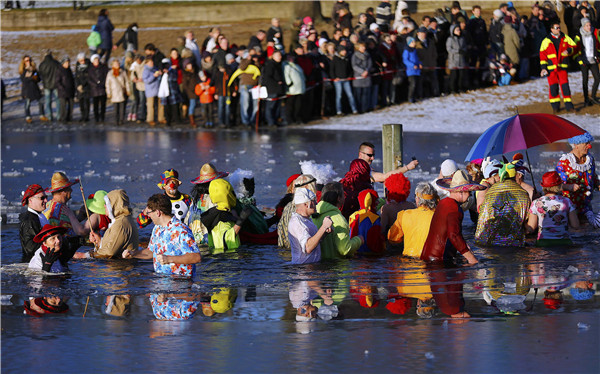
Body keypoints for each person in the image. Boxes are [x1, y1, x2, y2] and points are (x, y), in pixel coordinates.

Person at [123, 194, 201, 277]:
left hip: (181, 282)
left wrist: (169, 259)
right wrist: (133, 254)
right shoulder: (157, 228)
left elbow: (196, 257)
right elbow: (151, 252)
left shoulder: (181, 230)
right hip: (161, 281)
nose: (148, 216)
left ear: (158, 213)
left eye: (149, 213)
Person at [421, 170, 483, 264]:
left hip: (428, 256)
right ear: (461, 192)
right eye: (469, 192)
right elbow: (454, 235)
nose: (470, 195)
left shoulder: (443, 202)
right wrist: (472, 259)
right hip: (440, 260)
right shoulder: (455, 209)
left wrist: (464, 246)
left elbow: (449, 232)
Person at [475, 161, 531, 247]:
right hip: (514, 244)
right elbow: (527, 222)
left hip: (491, 243)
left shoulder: (491, 192)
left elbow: (483, 215)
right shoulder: (523, 194)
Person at [556, 131, 600, 227]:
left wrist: (598, 184)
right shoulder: (564, 162)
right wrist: (569, 186)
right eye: (586, 143)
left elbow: (593, 176)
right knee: (574, 231)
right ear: (576, 145)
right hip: (570, 206)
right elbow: (556, 186)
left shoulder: (590, 159)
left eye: (589, 143)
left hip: (586, 205)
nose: (589, 146)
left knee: (588, 231)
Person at [312, 182, 363, 260]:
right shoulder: (338, 219)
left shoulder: (313, 215)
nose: (345, 197)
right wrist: (359, 240)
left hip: (316, 265)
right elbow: (345, 249)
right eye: (343, 194)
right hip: (335, 268)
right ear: (339, 198)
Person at [527, 171, 580, 246]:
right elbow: (576, 226)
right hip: (564, 243)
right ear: (559, 185)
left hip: (543, 243)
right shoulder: (567, 201)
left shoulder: (536, 203)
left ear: (543, 186)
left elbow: (531, 228)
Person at [388, 182, 439, 258]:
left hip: (408, 261)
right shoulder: (439, 217)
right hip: (430, 262)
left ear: (418, 199)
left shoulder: (404, 215)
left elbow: (392, 238)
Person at [199, 179, 250, 253]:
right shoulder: (222, 217)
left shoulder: (213, 214)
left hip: (218, 257)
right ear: (227, 195)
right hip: (228, 258)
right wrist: (241, 219)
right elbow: (227, 237)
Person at [88, 189, 139, 259]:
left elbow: (109, 252)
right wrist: (100, 242)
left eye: (107, 204)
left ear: (114, 205)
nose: (104, 206)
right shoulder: (122, 220)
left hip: (119, 267)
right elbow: (116, 245)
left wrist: (87, 255)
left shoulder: (121, 224)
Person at [540, 22, 578, 113]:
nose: (559, 29)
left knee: (565, 86)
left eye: (559, 28)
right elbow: (542, 56)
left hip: (562, 67)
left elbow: (574, 46)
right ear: (551, 29)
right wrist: (543, 68)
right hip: (551, 68)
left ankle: (569, 106)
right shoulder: (546, 41)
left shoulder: (565, 37)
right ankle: (555, 107)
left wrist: (569, 50)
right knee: (553, 87)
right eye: (557, 28)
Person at [186, 163, 229, 244]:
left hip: (194, 242)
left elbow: (187, 221)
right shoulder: (215, 199)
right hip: (211, 241)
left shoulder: (195, 200)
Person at [288, 188, 333, 264]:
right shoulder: (297, 222)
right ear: (306, 204)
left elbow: (314, 242)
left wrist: (324, 233)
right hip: (303, 269)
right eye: (313, 201)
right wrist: (323, 227)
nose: (316, 203)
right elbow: (308, 247)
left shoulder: (306, 219)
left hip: (311, 266)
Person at [43, 172, 88, 238]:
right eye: (69, 188)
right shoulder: (63, 210)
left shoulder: (47, 205)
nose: (71, 190)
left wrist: (79, 217)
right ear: (63, 191)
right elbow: (73, 235)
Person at [349, 189, 384, 255]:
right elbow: (375, 242)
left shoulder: (353, 216)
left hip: (354, 254)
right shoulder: (374, 218)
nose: (378, 203)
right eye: (376, 200)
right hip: (370, 256)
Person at [19, 184, 49, 262]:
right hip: (34, 263)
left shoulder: (39, 216)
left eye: (46, 197)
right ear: (30, 200)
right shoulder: (29, 219)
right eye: (42, 198)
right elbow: (30, 248)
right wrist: (51, 245)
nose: (46, 201)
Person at [574, 18, 600, 106]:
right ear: (583, 26)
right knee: (585, 80)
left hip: (593, 60)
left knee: (597, 78)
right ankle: (586, 99)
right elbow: (575, 49)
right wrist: (579, 59)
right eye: (587, 25)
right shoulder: (578, 36)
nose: (589, 27)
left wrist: (598, 55)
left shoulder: (594, 34)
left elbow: (598, 45)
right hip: (584, 61)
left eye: (590, 25)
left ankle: (593, 96)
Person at [19, 55, 45, 123]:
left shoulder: (34, 69)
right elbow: (23, 79)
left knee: (41, 101)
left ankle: (42, 115)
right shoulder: (23, 70)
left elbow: (38, 77)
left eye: (29, 60)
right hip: (27, 89)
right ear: (24, 62)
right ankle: (28, 116)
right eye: (26, 61)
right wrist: (30, 77)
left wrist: (36, 77)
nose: (28, 62)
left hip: (35, 88)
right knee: (27, 103)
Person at [105, 58, 130, 125]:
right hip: (114, 92)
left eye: (118, 64)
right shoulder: (110, 73)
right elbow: (107, 84)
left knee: (122, 107)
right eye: (115, 64)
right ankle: (116, 120)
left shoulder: (123, 72)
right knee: (115, 108)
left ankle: (121, 120)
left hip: (121, 92)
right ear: (112, 65)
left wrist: (128, 90)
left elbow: (126, 82)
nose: (117, 65)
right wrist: (108, 93)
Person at [38, 50, 61, 121]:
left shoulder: (42, 64)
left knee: (48, 101)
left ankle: (49, 116)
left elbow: (39, 75)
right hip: (56, 84)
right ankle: (58, 116)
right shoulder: (56, 63)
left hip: (46, 85)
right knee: (57, 101)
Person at [142, 56, 164, 126]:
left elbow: (158, 78)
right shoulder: (145, 70)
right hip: (150, 91)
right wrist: (153, 76)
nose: (152, 63)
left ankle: (161, 118)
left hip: (158, 89)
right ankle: (150, 119)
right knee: (150, 106)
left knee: (161, 104)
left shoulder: (155, 68)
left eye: (152, 62)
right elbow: (146, 81)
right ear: (147, 62)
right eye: (150, 62)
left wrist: (160, 74)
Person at [88, 54, 108, 124]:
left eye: (97, 60)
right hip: (94, 89)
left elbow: (106, 77)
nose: (96, 61)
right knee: (95, 104)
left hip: (102, 88)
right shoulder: (90, 69)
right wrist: (94, 84)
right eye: (95, 60)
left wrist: (102, 84)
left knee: (103, 104)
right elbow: (89, 79)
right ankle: (96, 117)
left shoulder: (103, 68)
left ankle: (102, 117)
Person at [403, 36, 422, 103]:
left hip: (417, 70)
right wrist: (412, 65)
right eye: (412, 42)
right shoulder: (406, 50)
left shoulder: (414, 50)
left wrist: (420, 63)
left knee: (417, 84)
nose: (414, 43)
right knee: (412, 85)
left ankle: (416, 96)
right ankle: (410, 97)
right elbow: (405, 60)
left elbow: (418, 58)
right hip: (411, 71)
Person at [74, 53, 91, 122]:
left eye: (83, 60)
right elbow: (76, 77)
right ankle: (82, 115)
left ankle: (86, 116)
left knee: (86, 102)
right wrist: (78, 85)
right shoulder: (77, 66)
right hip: (79, 87)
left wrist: (83, 85)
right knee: (81, 102)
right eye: (80, 60)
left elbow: (88, 77)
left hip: (86, 87)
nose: (82, 62)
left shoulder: (88, 65)